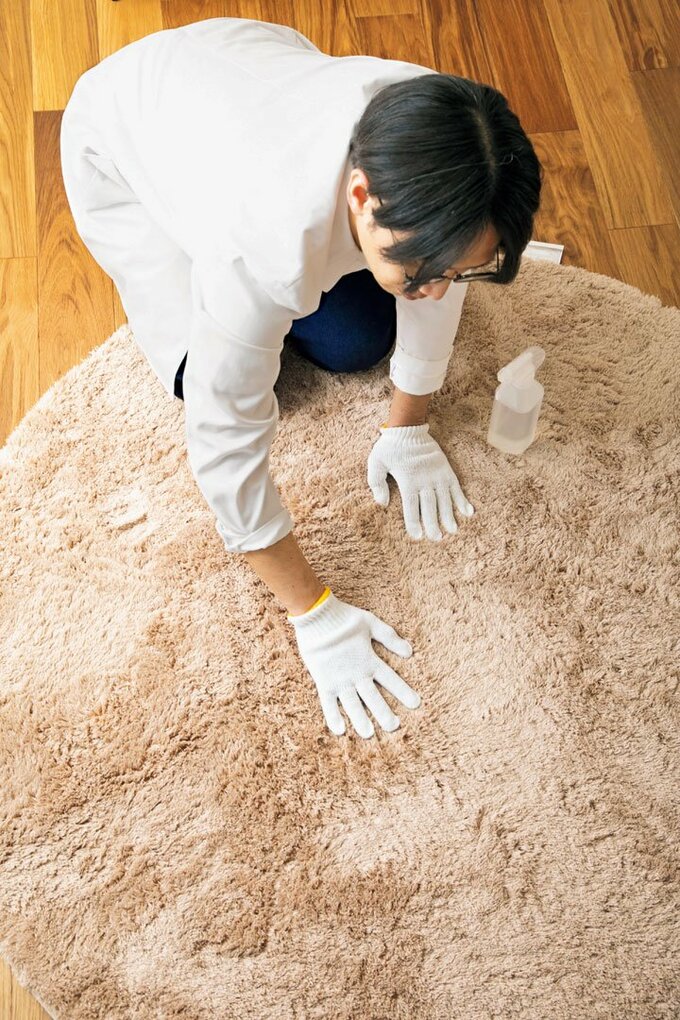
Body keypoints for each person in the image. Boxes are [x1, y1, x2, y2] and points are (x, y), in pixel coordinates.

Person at [59, 17, 542, 740]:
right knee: (203, 375)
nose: (440, 290)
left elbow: (445, 269)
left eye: (456, 270)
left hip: (243, 66)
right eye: (426, 270)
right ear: (361, 195)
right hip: (123, 144)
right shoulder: (259, 240)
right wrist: (313, 613)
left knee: (358, 341)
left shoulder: (448, 131)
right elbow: (223, 446)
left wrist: (408, 423)